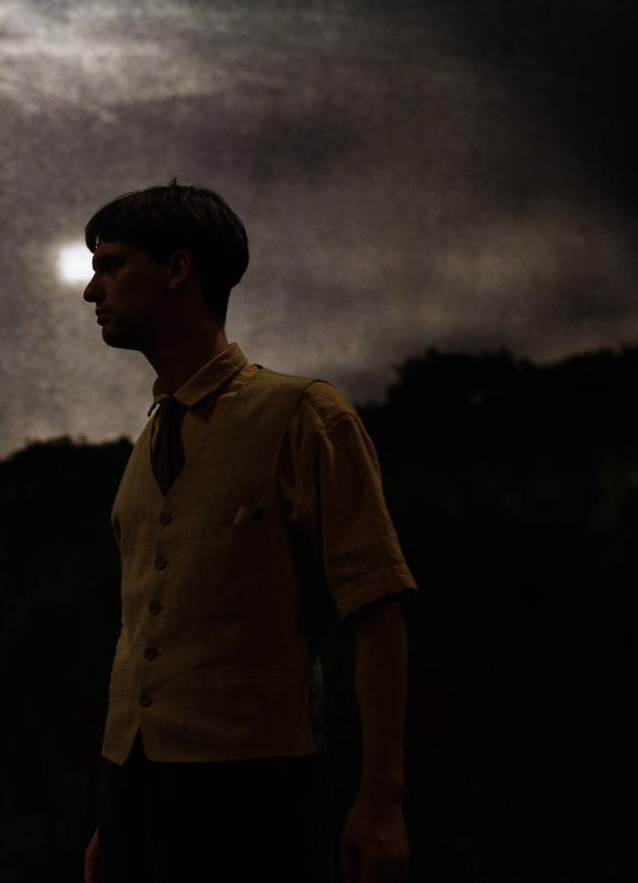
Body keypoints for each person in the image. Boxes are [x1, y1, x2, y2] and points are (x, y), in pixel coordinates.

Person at [79, 181, 416, 883]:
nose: (91, 290)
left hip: (255, 791)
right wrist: (116, 810)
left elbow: (377, 609)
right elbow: (146, 630)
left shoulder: (304, 414)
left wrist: (382, 799)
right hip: (132, 789)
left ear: (177, 269)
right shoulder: (143, 449)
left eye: (111, 265)